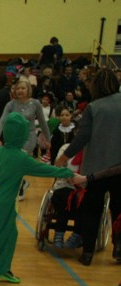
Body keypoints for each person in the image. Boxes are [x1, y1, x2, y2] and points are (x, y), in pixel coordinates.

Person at [0, 113, 74, 282]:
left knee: (10, 234)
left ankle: (2, 268)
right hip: (4, 203)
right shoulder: (21, 158)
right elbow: (46, 170)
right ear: (22, 135)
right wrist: (67, 172)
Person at [56, 68, 121, 265]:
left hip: (95, 169)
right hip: (119, 168)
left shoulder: (93, 107)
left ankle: (87, 252)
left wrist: (64, 156)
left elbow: (82, 138)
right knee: (118, 210)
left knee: (91, 210)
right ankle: (118, 247)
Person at [0, 77, 51, 200]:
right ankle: (22, 183)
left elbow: (42, 122)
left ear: (28, 89)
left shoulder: (35, 103)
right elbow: (2, 121)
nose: (20, 90)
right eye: (18, 88)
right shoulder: (10, 104)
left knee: (18, 161)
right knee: (12, 162)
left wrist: (48, 139)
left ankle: (19, 188)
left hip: (29, 136)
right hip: (13, 138)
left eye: (23, 88)